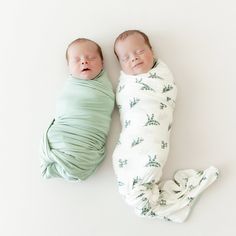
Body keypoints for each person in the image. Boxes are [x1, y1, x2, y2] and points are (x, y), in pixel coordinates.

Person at [112, 30, 219, 223]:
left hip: (152, 135)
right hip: (130, 134)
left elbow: (167, 94)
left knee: (151, 152)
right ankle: (138, 190)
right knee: (124, 157)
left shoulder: (160, 76)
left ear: (151, 50)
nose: (134, 58)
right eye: (125, 58)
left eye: (139, 51)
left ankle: (142, 188)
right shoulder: (126, 84)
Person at [41, 38, 115, 181]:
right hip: (63, 132)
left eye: (91, 58)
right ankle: (56, 157)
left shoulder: (104, 88)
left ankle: (66, 163)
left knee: (80, 162)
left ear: (102, 63)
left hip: (87, 140)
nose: (84, 61)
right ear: (69, 67)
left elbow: (103, 105)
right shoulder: (70, 85)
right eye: (76, 60)